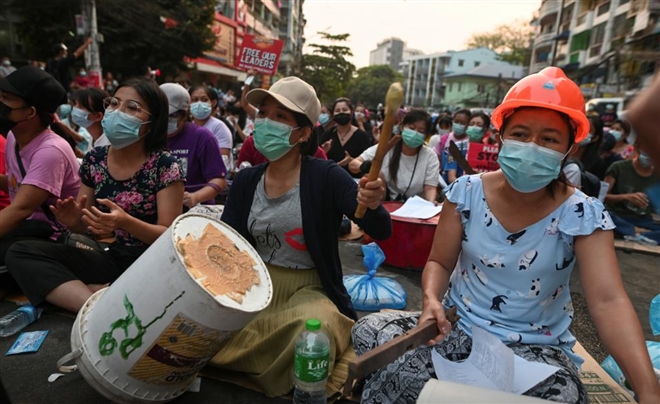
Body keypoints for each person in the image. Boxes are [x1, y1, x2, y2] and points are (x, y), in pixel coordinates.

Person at [351, 67, 660, 404]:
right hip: (456, 329)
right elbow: (440, 261)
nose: (532, 147)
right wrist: (431, 302)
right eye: (521, 134)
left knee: (566, 396)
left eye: (548, 139)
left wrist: (648, 391)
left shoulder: (582, 213)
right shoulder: (465, 193)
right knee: (368, 332)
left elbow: (608, 300)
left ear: (568, 148)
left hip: (535, 350)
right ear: (501, 137)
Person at [210, 76, 391, 398]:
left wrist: (373, 202)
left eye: (280, 117)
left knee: (315, 327)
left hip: (308, 288)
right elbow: (230, 245)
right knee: (199, 327)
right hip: (253, 287)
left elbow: (381, 228)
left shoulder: (326, 176)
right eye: (263, 113)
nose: (266, 122)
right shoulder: (246, 180)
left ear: (303, 133)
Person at [6, 77, 184, 312]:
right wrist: (74, 222)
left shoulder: (165, 166)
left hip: (153, 264)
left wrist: (125, 222)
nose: (118, 112)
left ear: (152, 123)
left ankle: (103, 295)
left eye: (132, 108)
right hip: (113, 255)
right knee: (21, 252)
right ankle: (97, 305)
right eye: (114, 104)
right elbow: (87, 226)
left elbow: (169, 236)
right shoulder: (95, 159)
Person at [0, 66, 80, 266]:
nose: (0, 102)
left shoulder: (50, 151)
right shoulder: (13, 137)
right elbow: (18, 184)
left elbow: (21, 209)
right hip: (29, 231)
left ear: (29, 112)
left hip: (54, 241)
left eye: (6, 98)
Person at [349, 109, 439, 202]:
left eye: (421, 131)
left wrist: (431, 203)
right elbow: (353, 164)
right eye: (412, 128)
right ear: (402, 127)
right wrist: (369, 166)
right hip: (385, 203)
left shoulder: (430, 156)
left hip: (417, 207)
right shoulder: (387, 147)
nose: (415, 133)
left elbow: (430, 188)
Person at [160, 83, 227, 208]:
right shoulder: (149, 135)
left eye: (172, 116)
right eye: (162, 116)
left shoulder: (202, 137)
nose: (167, 120)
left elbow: (219, 180)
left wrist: (195, 197)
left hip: (194, 210)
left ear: (184, 114)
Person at [604, 140, 660, 243]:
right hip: (618, 217)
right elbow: (602, 197)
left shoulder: (657, 174)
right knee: (603, 216)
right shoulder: (618, 167)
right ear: (636, 147)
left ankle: (634, 234)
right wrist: (626, 197)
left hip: (644, 220)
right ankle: (638, 233)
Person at [321, 97, 371, 178]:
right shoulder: (328, 134)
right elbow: (317, 158)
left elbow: (369, 163)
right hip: (330, 180)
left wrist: (352, 161)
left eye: (344, 110)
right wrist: (324, 152)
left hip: (355, 181)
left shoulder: (362, 136)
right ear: (333, 114)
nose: (341, 113)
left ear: (351, 112)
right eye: (337, 111)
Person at [189, 85, 233, 170]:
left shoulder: (219, 127)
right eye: (194, 100)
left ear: (212, 103)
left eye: (204, 100)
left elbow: (223, 158)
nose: (199, 103)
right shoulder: (187, 127)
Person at [438, 108, 472, 184]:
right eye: (456, 122)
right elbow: (436, 157)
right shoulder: (444, 139)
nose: (459, 125)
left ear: (468, 125)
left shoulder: (470, 142)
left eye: (462, 123)